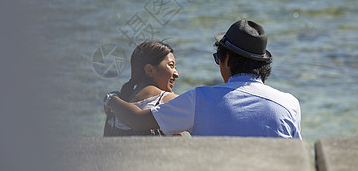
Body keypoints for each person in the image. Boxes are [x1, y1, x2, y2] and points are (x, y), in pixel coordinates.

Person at [104, 19, 302, 139]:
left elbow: (138, 120)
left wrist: (111, 99)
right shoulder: (290, 104)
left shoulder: (199, 100)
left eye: (218, 58)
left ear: (226, 60)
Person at [103, 40, 181, 136]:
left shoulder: (116, 106)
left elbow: (106, 143)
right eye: (171, 65)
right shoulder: (172, 101)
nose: (176, 74)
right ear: (149, 70)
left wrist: (111, 99)